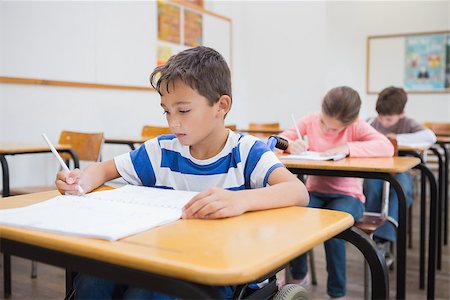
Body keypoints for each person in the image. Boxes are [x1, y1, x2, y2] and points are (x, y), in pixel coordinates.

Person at [55, 46, 309, 300]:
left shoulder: (246, 152)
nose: (173, 122)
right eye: (167, 111)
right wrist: (82, 180)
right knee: (92, 279)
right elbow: (103, 168)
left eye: (183, 110)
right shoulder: (161, 151)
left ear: (221, 106)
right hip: (161, 257)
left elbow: (298, 191)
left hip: (220, 266)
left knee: (144, 295)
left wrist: (240, 200)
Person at [279, 86, 394, 300]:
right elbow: (278, 142)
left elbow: (386, 147)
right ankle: (298, 275)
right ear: (321, 111)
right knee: (293, 219)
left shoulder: (357, 127)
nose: (327, 130)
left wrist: (348, 148)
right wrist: (289, 146)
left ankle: (337, 293)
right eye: (324, 123)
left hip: (348, 197)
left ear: (351, 122)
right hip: (315, 191)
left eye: (334, 130)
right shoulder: (311, 119)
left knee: (333, 229)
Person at [363, 86, 436, 255]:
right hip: (376, 169)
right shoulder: (371, 123)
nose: (384, 122)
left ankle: (383, 239)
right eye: (381, 117)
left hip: (401, 171)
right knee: (372, 187)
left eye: (389, 119)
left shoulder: (407, 123)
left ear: (401, 113)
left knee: (401, 189)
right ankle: (372, 233)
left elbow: (429, 137)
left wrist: (397, 138)